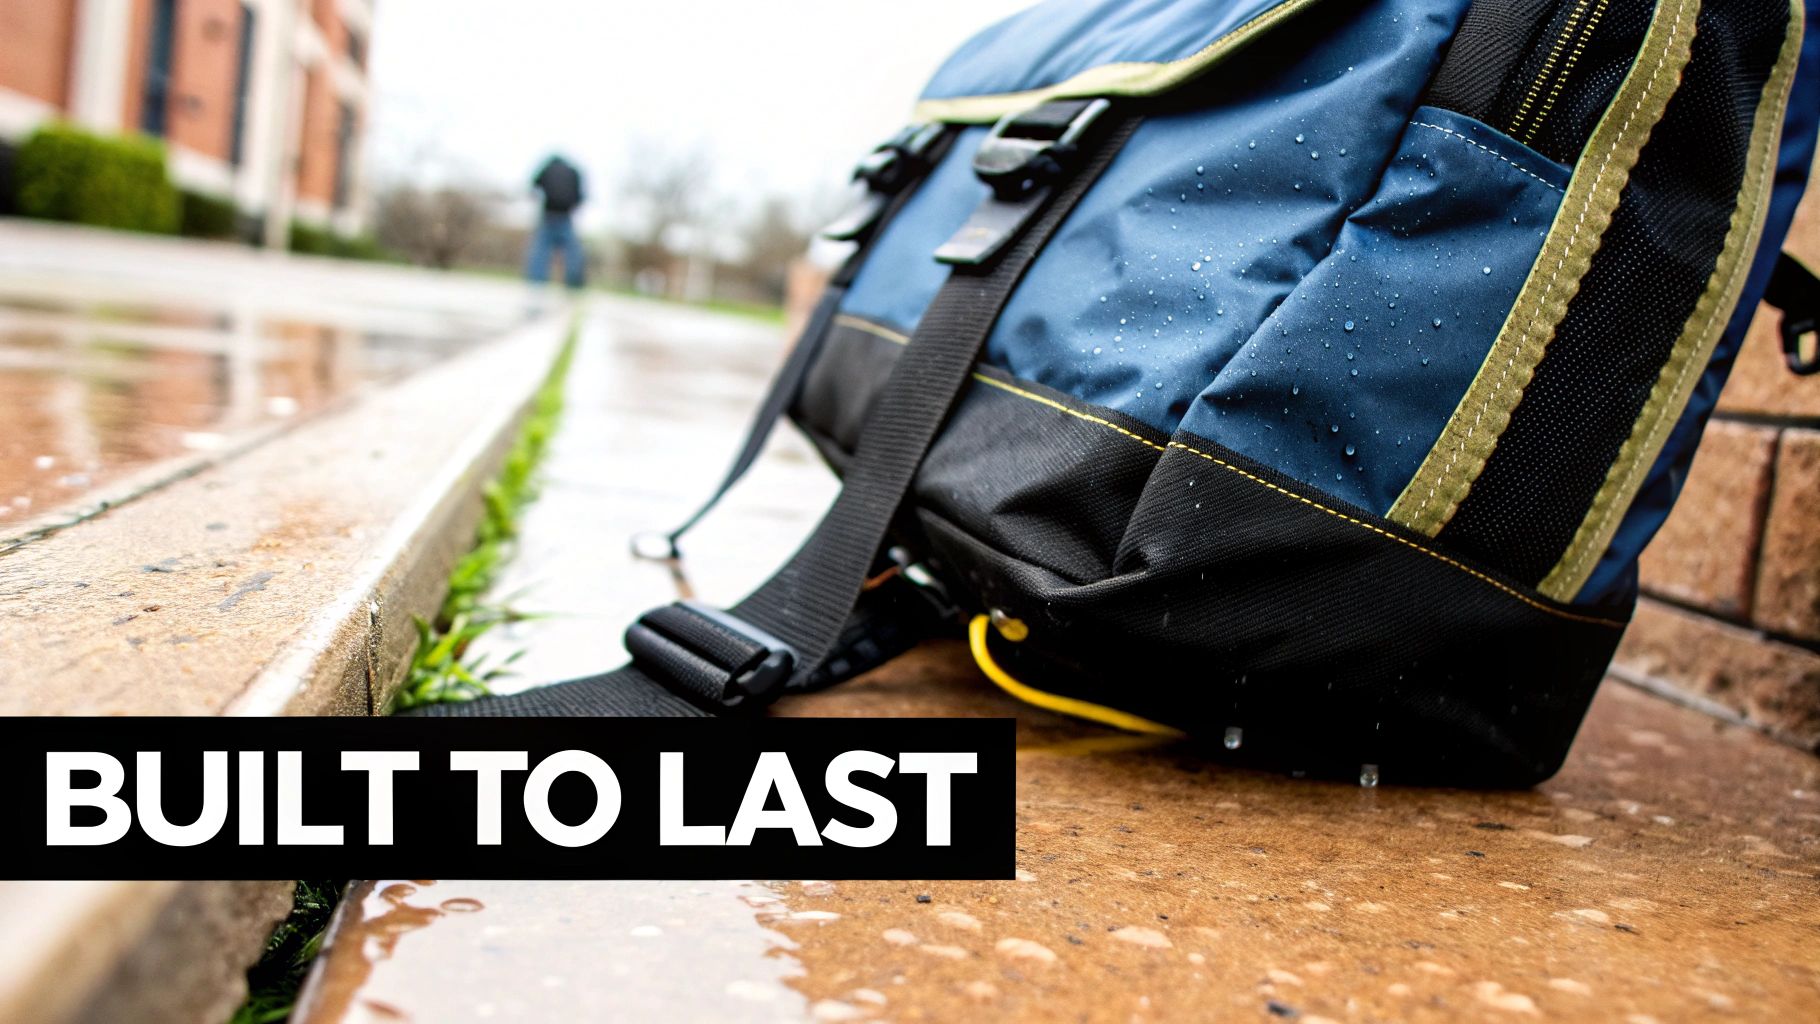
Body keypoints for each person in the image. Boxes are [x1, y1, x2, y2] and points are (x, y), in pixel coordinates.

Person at [525, 154, 587, 289]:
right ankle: (574, 283)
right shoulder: (573, 172)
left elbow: (533, 186)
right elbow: (581, 196)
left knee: (540, 253)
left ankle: (536, 284)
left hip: (548, 216)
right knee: (573, 253)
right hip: (566, 216)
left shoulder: (547, 168)